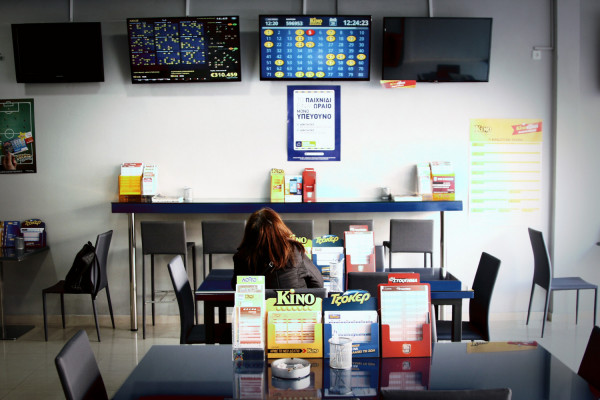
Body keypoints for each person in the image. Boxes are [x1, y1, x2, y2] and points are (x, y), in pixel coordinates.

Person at [231, 207, 324, 289]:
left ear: (249, 234)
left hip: (259, 304)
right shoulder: (293, 250)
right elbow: (318, 284)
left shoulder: (241, 257)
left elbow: (237, 286)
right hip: (294, 303)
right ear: (279, 227)